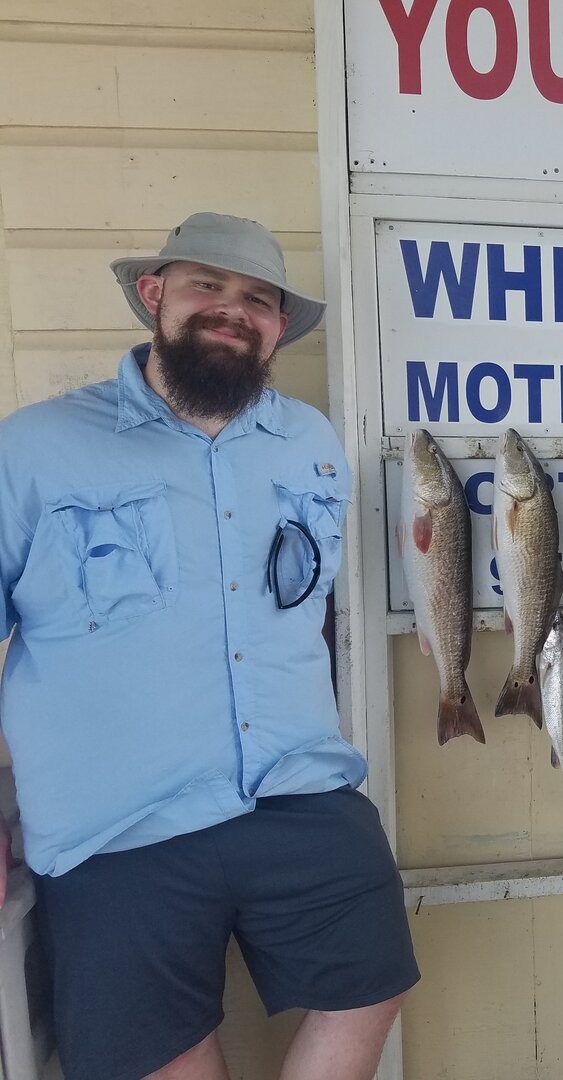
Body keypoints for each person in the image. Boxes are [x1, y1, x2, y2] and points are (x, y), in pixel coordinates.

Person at [0, 213, 419, 1079]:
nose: (232, 310)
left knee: (371, 988)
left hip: (298, 788)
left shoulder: (307, 442)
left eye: (257, 300)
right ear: (155, 296)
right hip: (119, 824)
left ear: (275, 329)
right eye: (208, 287)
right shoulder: (32, 449)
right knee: (162, 1055)